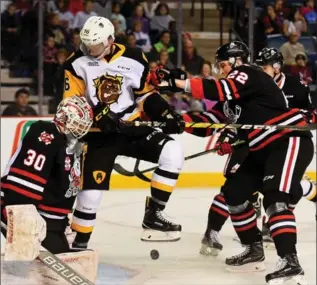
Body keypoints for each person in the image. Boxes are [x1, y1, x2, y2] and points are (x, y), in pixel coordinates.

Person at [155, 41, 314, 284]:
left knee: (274, 198)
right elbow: (212, 119)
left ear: (238, 61)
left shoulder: (249, 73)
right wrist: (178, 120)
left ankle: (290, 261)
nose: (220, 69)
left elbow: (218, 89)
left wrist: (178, 84)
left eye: (223, 64)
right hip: (260, 147)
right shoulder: (233, 92)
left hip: (286, 140)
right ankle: (253, 247)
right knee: (234, 192)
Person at [63, 16, 185, 249]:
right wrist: (97, 114)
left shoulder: (134, 56)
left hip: (132, 127)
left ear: (110, 40)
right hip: (99, 133)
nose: (91, 49)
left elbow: (145, 94)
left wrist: (166, 113)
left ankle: (154, 216)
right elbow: (72, 103)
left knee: (173, 152)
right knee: (90, 193)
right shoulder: (75, 62)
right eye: (87, 44)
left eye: (96, 45)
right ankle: (78, 242)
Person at [1, 96, 93, 254]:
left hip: (50, 222)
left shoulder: (72, 143)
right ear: (63, 117)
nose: (80, 130)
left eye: (83, 126)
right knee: (26, 267)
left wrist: (61, 223)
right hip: (22, 211)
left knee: (62, 260)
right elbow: (25, 180)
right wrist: (20, 218)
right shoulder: (45, 133)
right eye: (77, 124)